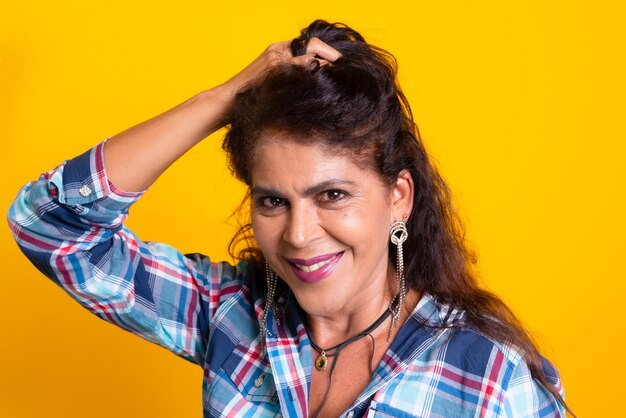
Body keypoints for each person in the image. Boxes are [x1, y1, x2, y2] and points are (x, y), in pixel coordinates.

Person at [7, 20, 570, 417]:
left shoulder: (488, 376)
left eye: (332, 195)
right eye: (274, 201)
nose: (299, 236)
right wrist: (225, 98)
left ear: (399, 197)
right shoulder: (231, 317)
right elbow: (51, 225)